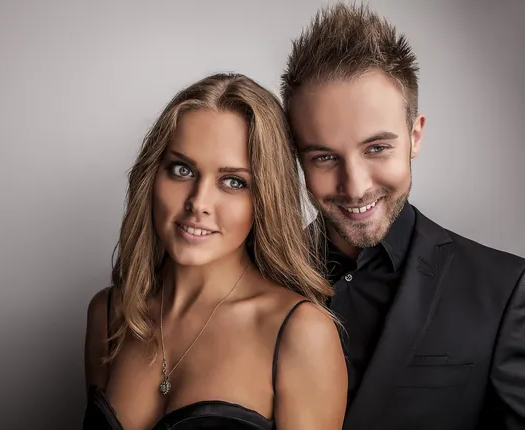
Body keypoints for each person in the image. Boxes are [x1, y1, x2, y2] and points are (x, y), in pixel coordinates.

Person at [281, 3, 525, 429]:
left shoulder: (505, 289)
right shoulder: (256, 278)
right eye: (323, 156)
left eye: (377, 148)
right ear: (297, 159)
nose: (355, 187)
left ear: (415, 136)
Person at [82, 73, 347, 430]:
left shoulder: (300, 333)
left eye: (233, 182)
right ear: (152, 177)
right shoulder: (110, 313)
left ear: (265, 200)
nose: (198, 203)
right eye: (182, 169)